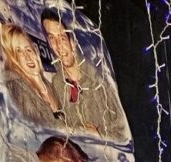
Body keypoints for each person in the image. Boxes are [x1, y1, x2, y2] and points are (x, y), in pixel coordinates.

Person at [40, 8, 130, 141]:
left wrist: (98, 135)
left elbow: (124, 137)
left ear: (73, 41)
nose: (58, 46)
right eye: (52, 38)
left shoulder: (100, 80)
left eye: (63, 37)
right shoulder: (57, 83)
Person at [0, 22, 63, 124]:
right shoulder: (18, 89)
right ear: (13, 59)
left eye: (28, 50)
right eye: (18, 52)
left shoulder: (52, 86)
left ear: (36, 51)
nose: (27, 57)